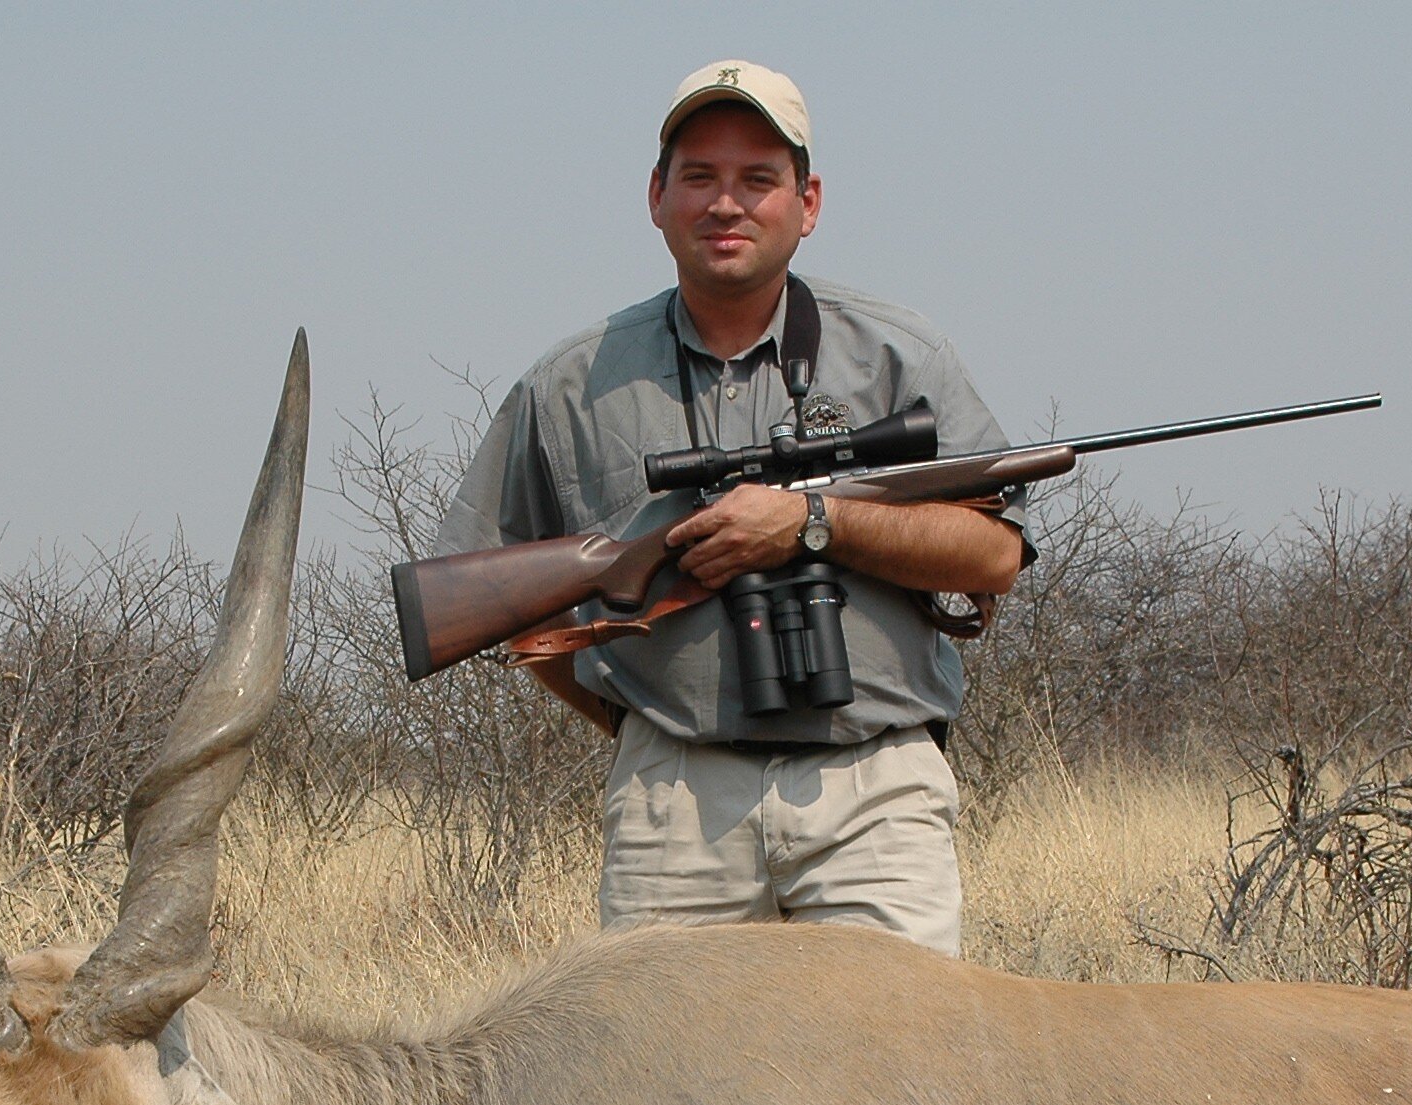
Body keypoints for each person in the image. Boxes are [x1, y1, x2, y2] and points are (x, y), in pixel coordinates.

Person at [438, 61, 1027, 956]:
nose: (727, 204)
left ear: (809, 200)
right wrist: (626, 713)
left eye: (759, 179)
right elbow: (484, 599)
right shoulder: (568, 383)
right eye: (701, 177)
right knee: (669, 1089)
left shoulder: (902, 356)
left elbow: (994, 558)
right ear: (656, 195)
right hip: (674, 802)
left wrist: (812, 524)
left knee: (897, 1084)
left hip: (877, 794)